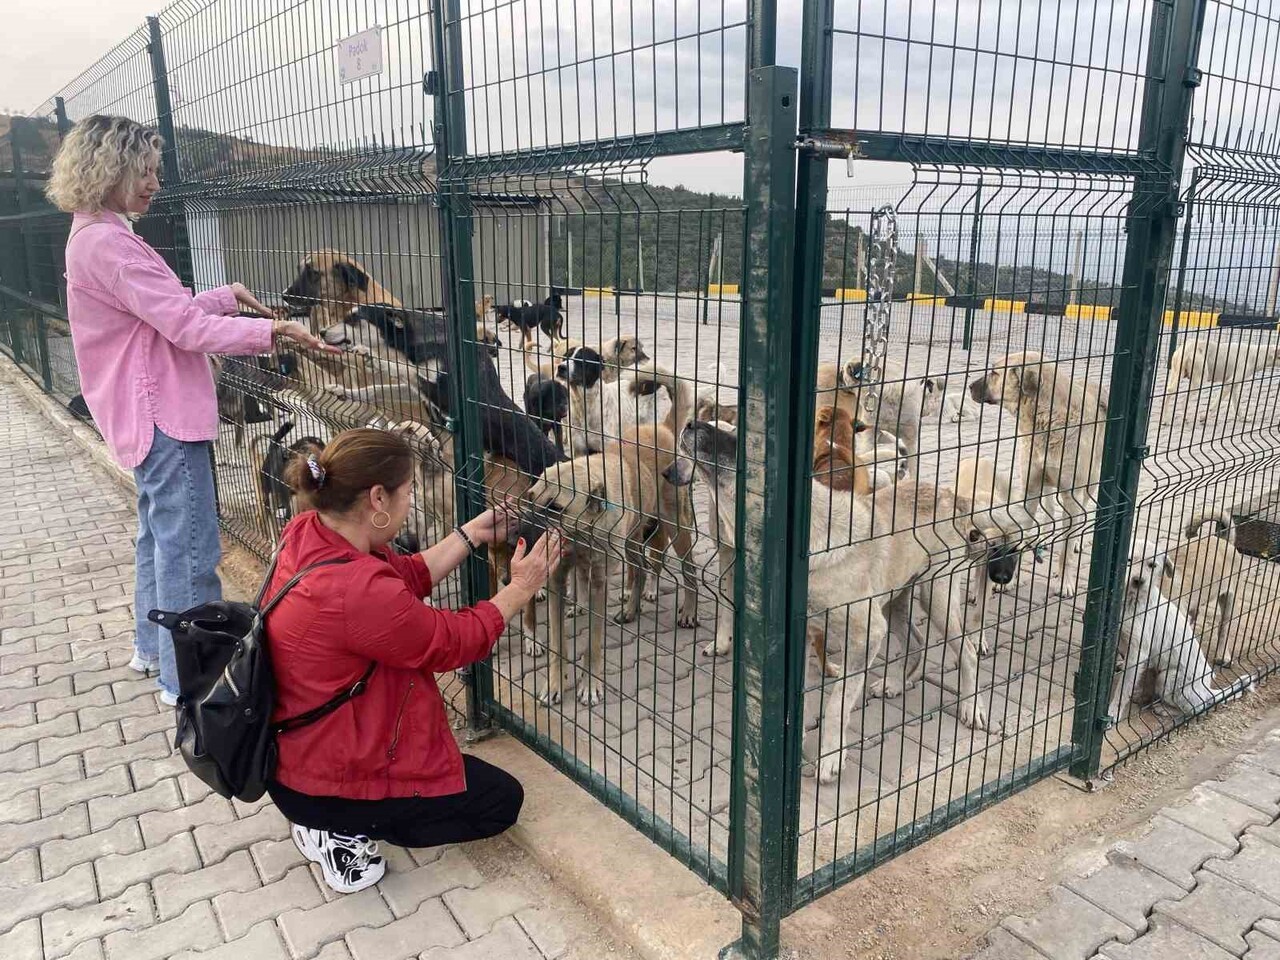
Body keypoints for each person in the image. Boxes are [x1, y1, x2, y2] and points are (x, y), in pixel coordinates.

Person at [46, 115, 332, 705]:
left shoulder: (95, 235)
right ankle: (189, 682)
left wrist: (228, 297)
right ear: (112, 170)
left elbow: (159, 311)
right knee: (194, 549)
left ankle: (151, 651)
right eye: (145, 171)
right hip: (163, 413)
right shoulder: (110, 244)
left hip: (140, 413)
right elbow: (181, 325)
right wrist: (271, 329)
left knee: (158, 539)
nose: (154, 182)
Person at [266, 428, 563, 893]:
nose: (412, 501)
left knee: (466, 780)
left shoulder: (308, 530)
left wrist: (469, 535)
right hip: (325, 772)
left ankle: (322, 814)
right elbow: (452, 642)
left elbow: (398, 577)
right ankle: (340, 830)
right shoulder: (354, 591)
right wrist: (522, 588)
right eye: (409, 491)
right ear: (378, 498)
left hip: (299, 751)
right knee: (500, 802)